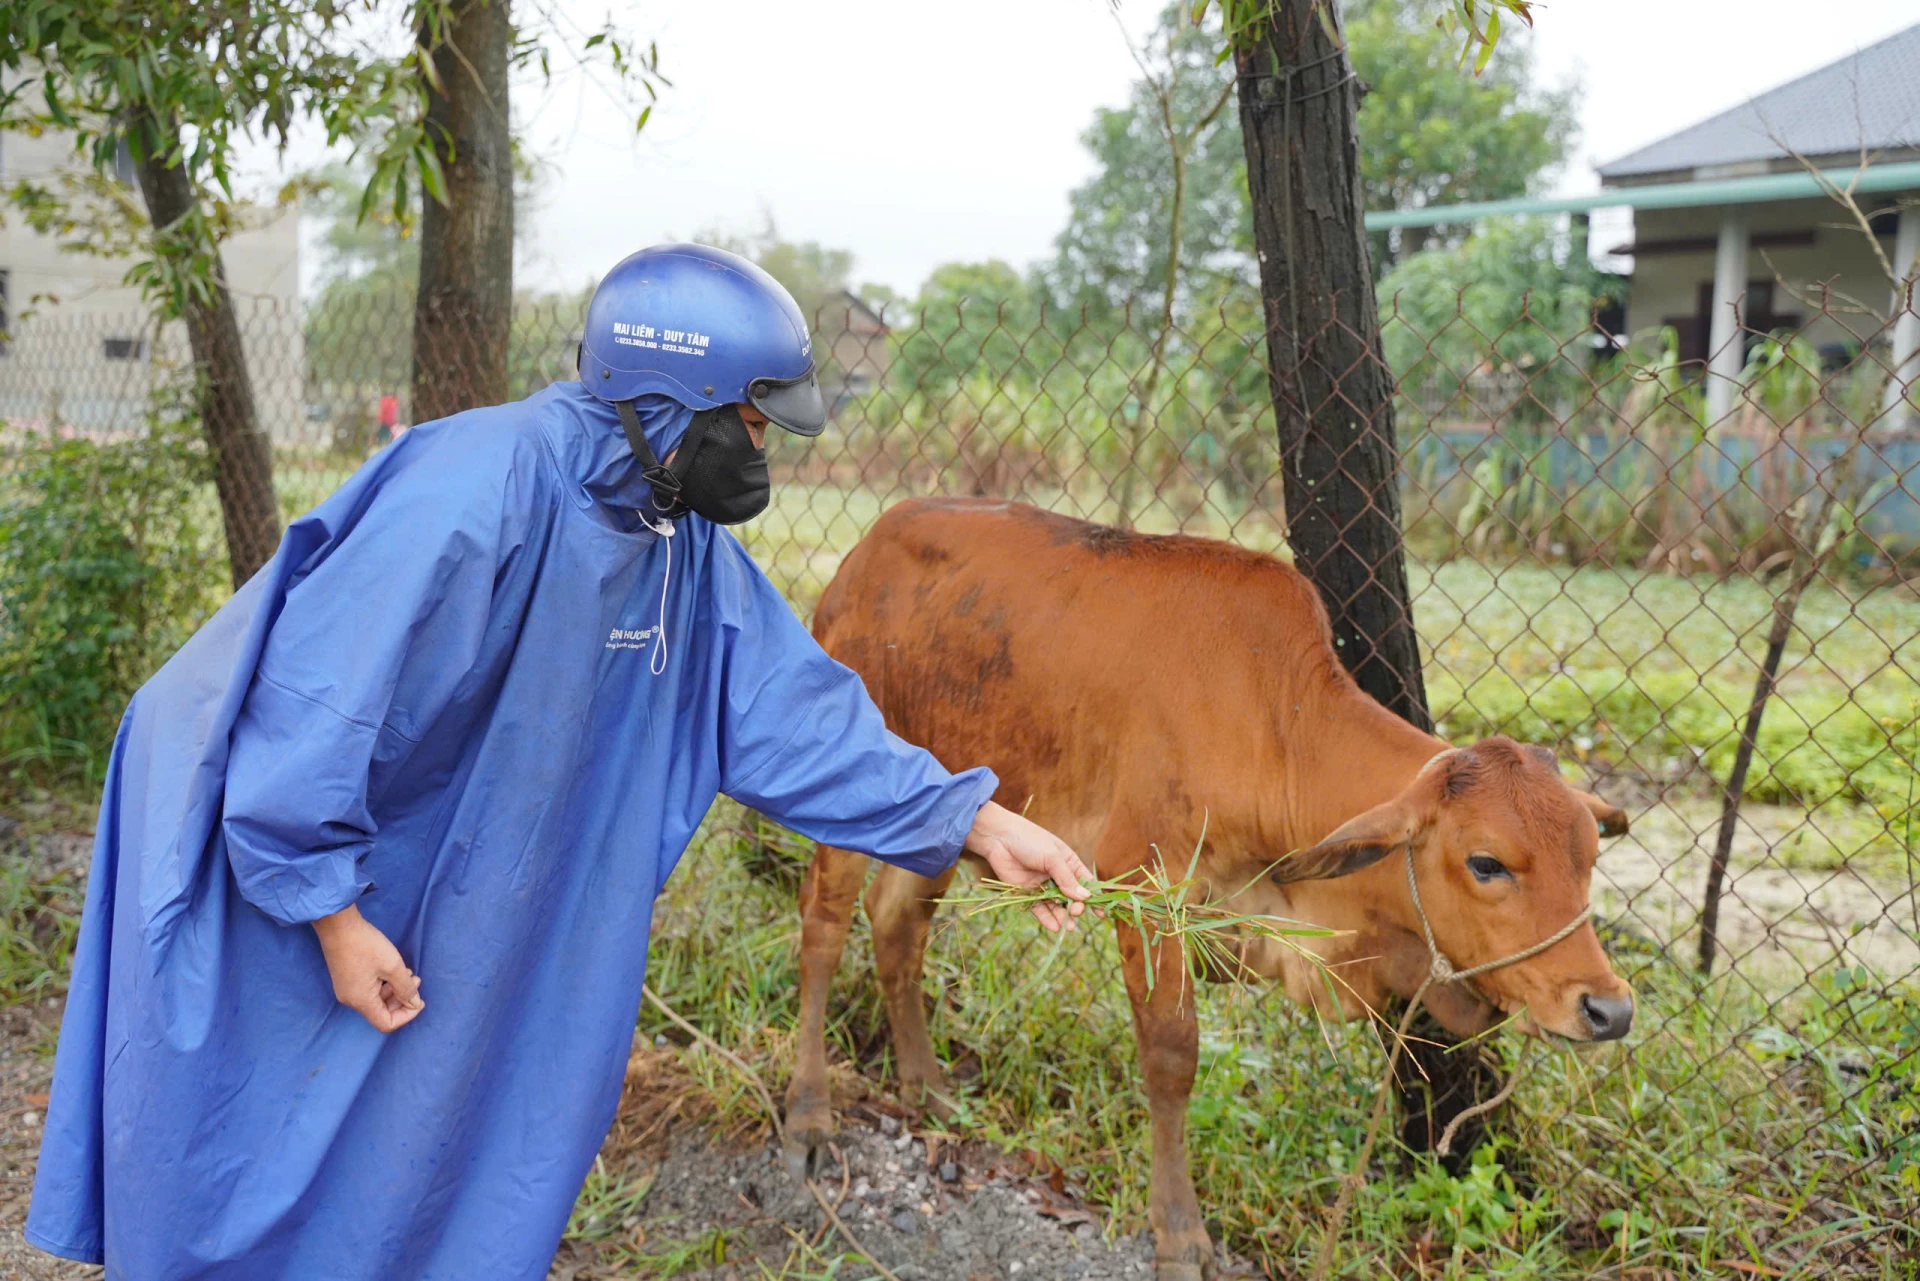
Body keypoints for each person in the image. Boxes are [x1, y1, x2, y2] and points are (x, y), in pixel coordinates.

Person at [26, 243, 1092, 1281]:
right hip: (262, 829)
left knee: (452, 1127)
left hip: (452, 858)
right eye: (753, 420)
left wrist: (971, 822)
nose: (764, 449)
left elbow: (787, 708)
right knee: (258, 1129)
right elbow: (314, 708)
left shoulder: (671, 533)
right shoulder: (472, 490)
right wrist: (330, 914)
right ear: (673, 399)